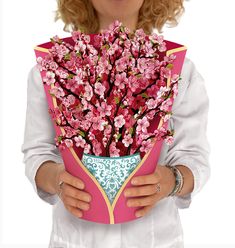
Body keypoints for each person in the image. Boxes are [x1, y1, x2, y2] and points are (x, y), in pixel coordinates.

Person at [21, 0, 211, 247]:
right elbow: (37, 151)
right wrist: (56, 178)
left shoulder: (180, 70)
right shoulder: (51, 68)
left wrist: (172, 181)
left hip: (155, 238)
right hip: (75, 237)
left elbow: (195, 157)